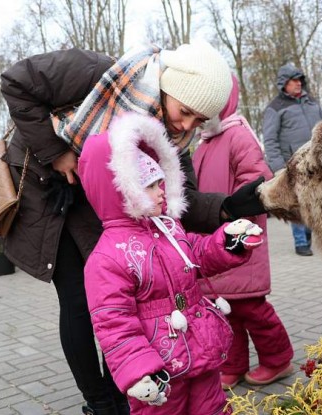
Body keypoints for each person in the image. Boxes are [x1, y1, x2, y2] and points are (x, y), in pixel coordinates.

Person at [0, 42, 265, 415]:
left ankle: (127, 391)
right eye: (186, 111)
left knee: (128, 301)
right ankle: (99, 403)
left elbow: (180, 198)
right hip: (51, 191)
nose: (187, 126)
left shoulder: (167, 134)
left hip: (108, 203)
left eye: (199, 121)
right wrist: (56, 153)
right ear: (168, 87)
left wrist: (229, 207)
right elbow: (16, 82)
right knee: (79, 300)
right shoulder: (97, 72)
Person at [80, 112, 261, 414]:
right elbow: (114, 324)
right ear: (122, 190)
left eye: (162, 182)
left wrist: (226, 240)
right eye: (150, 185)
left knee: (213, 407)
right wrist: (139, 371)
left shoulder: (169, 229)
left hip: (199, 349)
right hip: (159, 371)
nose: (162, 191)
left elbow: (196, 253)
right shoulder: (107, 257)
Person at [192, 76, 294, 389]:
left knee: (252, 308)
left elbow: (255, 180)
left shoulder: (238, 135)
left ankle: (278, 360)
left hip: (239, 236)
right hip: (214, 240)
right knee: (225, 309)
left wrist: (231, 213)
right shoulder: (205, 142)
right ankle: (233, 365)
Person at [262, 63, 322, 256]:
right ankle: (301, 243)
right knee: (296, 203)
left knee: (316, 202)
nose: (298, 84)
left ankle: (311, 238)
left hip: (317, 163)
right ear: (284, 84)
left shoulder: (312, 103)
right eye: (293, 80)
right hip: (292, 165)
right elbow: (270, 139)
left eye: (300, 80)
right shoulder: (275, 108)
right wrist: (278, 167)